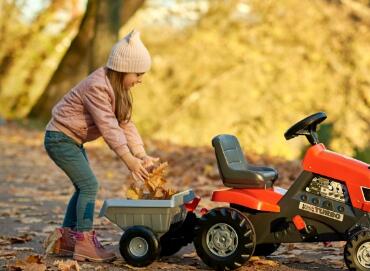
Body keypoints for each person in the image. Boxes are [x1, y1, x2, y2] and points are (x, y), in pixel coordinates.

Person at [43, 30, 158, 262]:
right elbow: (109, 127)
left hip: (72, 140)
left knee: (82, 186)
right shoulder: (97, 86)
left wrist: (140, 154)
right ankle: (84, 240)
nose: (140, 80)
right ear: (123, 69)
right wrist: (128, 159)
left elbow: (125, 124)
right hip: (60, 138)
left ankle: (67, 240)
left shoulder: (119, 91)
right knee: (89, 185)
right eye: (138, 74)